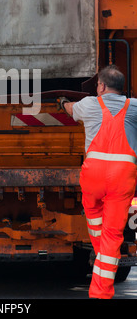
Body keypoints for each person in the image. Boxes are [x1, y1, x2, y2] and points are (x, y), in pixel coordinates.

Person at [59, 65, 137, 299]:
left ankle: (102, 254)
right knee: (112, 237)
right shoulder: (133, 107)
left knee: (96, 224)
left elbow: (70, 108)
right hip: (123, 178)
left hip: (93, 177)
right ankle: (101, 293)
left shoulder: (89, 104)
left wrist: (62, 102)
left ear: (101, 86)